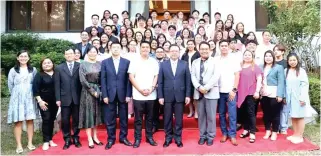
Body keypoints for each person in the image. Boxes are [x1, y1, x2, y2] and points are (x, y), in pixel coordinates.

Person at [158, 45, 191, 148]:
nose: (174, 53)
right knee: (167, 118)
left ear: (179, 52)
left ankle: (178, 138)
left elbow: (188, 81)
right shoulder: (163, 65)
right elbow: (160, 82)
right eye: (172, 51)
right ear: (169, 52)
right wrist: (160, 96)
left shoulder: (184, 64)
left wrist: (187, 95)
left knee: (179, 119)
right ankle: (168, 138)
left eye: (176, 51)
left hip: (180, 95)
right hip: (167, 96)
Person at [101, 42, 133, 150]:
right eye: (113, 47)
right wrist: (104, 95)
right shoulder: (105, 62)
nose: (115, 49)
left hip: (123, 94)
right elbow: (103, 80)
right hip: (109, 94)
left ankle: (123, 137)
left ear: (121, 49)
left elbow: (129, 80)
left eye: (117, 47)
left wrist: (129, 94)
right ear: (110, 48)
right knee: (110, 118)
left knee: (124, 118)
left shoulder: (127, 62)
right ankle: (111, 139)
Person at [128, 41, 159, 148]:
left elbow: (156, 76)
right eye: (143, 47)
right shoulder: (134, 61)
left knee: (150, 118)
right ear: (140, 48)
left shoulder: (154, 61)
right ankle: (137, 138)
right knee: (138, 119)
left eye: (147, 47)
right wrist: (140, 90)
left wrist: (151, 88)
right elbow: (131, 77)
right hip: (138, 94)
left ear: (150, 49)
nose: (145, 49)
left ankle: (149, 137)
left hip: (151, 94)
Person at [7, 50, 38, 154]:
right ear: (17, 58)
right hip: (17, 98)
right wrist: (17, 94)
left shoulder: (33, 70)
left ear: (28, 58)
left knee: (30, 120)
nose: (23, 58)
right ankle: (19, 144)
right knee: (18, 122)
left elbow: (36, 83)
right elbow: (10, 85)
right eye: (21, 56)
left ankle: (30, 143)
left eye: (25, 56)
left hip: (30, 97)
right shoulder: (13, 70)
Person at [191, 41, 220, 146]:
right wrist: (199, 87)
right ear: (199, 50)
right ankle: (202, 136)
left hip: (211, 92)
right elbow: (193, 76)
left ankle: (210, 136)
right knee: (201, 116)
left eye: (206, 49)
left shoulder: (215, 61)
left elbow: (216, 76)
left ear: (210, 50)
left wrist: (206, 88)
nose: (204, 51)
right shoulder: (195, 62)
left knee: (211, 116)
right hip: (199, 92)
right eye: (202, 49)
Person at [284, 53, 317, 144]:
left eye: (294, 60)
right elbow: (285, 85)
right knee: (293, 116)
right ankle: (295, 134)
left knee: (300, 116)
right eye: (290, 60)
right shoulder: (286, 70)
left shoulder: (301, 71)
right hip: (289, 98)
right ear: (288, 61)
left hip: (299, 97)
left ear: (297, 60)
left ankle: (300, 135)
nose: (292, 62)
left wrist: (302, 98)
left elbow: (305, 85)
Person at [54, 48, 82, 150]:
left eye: (71, 53)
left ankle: (76, 138)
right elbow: (57, 85)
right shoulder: (59, 68)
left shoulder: (80, 66)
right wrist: (58, 98)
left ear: (75, 55)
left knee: (76, 119)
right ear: (64, 56)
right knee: (65, 120)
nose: (69, 55)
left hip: (77, 98)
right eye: (67, 54)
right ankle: (66, 138)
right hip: (64, 98)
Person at [78, 46, 103, 149]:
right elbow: (82, 80)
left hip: (98, 91)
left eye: (94, 52)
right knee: (89, 115)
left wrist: (100, 91)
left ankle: (95, 137)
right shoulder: (83, 64)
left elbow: (102, 78)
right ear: (87, 53)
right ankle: (89, 138)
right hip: (87, 92)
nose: (93, 53)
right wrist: (92, 91)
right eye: (90, 52)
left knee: (96, 114)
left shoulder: (100, 64)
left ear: (97, 53)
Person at [216, 40, 240, 146]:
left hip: (231, 91)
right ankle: (224, 133)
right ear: (219, 47)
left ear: (229, 47)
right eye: (222, 46)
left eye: (226, 45)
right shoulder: (216, 60)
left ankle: (233, 135)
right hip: (219, 92)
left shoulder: (233, 59)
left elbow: (237, 75)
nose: (224, 47)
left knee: (232, 114)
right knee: (221, 114)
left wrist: (234, 90)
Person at [32, 58, 58, 151]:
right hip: (44, 102)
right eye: (44, 63)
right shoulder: (39, 75)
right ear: (42, 65)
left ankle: (50, 139)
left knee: (51, 120)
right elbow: (35, 89)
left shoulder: (56, 74)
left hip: (55, 102)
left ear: (52, 64)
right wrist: (40, 101)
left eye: (49, 62)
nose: (47, 64)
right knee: (46, 119)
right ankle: (46, 141)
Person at [238, 50, 263, 143]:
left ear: (252, 56)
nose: (247, 56)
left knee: (251, 113)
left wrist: (257, 91)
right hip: (241, 93)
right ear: (243, 56)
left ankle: (252, 132)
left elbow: (259, 79)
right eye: (245, 55)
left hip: (251, 93)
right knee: (244, 112)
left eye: (249, 55)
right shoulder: (239, 66)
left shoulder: (255, 67)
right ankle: (246, 129)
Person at [260, 50, 285, 141]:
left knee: (275, 114)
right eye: (266, 56)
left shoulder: (279, 67)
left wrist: (280, 95)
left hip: (274, 93)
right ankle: (267, 131)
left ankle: (274, 132)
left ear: (273, 57)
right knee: (266, 114)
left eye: (270, 56)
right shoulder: (261, 67)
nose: (268, 58)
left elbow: (281, 82)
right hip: (264, 93)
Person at [181, 40, 200, 119]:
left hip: (195, 76)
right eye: (188, 44)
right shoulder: (184, 54)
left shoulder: (198, 54)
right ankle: (191, 111)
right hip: (186, 77)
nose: (190, 46)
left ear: (194, 45)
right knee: (188, 95)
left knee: (195, 95)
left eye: (191, 44)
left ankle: (196, 112)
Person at [152, 47, 166, 133]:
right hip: (154, 88)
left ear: (164, 53)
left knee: (166, 108)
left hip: (165, 88)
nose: (159, 53)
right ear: (155, 53)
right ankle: (154, 125)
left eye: (161, 52)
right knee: (154, 108)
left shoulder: (167, 62)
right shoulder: (152, 62)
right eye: (158, 52)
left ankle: (166, 125)